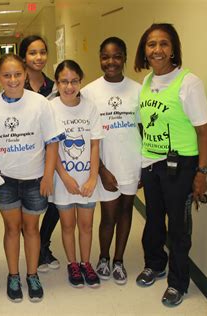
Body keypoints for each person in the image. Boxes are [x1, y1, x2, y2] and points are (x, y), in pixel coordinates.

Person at [133, 23, 207, 307]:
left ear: (174, 48)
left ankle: (178, 282)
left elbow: (203, 132)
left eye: (164, 44)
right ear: (145, 49)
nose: (157, 50)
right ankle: (155, 263)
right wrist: (143, 162)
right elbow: (144, 125)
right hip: (152, 165)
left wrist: (201, 173)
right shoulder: (146, 82)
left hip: (181, 166)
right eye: (151, 44)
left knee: (178, 227)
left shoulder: (189, 83)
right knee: (153, 220)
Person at [0, 53, 62, 303]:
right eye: (7, 75)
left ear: (25, 75)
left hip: (35, 179)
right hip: (5, 180)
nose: (13, 79)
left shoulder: (40, 104)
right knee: (12, 229)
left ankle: (32, 274)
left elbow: (52, 143)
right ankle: (13, 275)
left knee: (32, 229)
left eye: (17, 74)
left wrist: (47, 176)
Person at [82, 37, 142, 285]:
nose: (111, 62)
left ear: (125, 57)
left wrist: (144, 166)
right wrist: (101, 170)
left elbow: (143, 129)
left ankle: (118, 261)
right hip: (105, 164)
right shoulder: (89, 92)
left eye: (117, 56)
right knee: (108, 216)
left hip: (132, 161)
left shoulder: (138, 90)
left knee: (126, 211)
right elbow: (85, 135)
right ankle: (103, 258)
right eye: (106, 57)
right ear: (100, 58)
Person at [50, 60, 104, 288]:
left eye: (74, 81)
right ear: (57, 83)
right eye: (64, 81)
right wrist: (64, 177)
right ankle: (73, 263)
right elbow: (50, 147)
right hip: (63, 180)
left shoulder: (90, 108)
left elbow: (94, 145)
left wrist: (93, 177)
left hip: (86, 180)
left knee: (86, 225)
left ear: (80, 82)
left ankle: (85, 262)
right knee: (68, 225)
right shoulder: (50, 108)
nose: (69, 86)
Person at [18, 35, 60, 273]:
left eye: (42, 52)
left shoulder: (53, 87)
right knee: (27, 205)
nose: (39, 57)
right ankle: (37, 248)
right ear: (24, 56)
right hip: (24, 156)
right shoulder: (16, 86)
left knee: (54, 201)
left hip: (51, 154)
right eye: (32, 52)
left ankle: (43, 243)